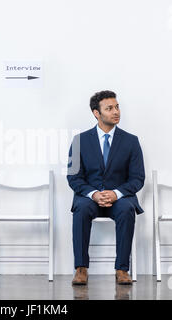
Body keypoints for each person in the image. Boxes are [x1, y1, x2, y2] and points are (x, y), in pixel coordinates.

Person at [67, 90, 145, 285]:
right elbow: (73, 177)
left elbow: (137, 178)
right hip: (90, 198)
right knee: (81, 208)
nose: (116, 112)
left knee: (127, 209)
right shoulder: (79, 141)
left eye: (117, 107)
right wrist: (93, 194)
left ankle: (122, 269)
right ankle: (81, 268)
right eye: (109, 108)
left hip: (120, 198)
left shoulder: (131, 141)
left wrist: (116, 193)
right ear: (96, 113)